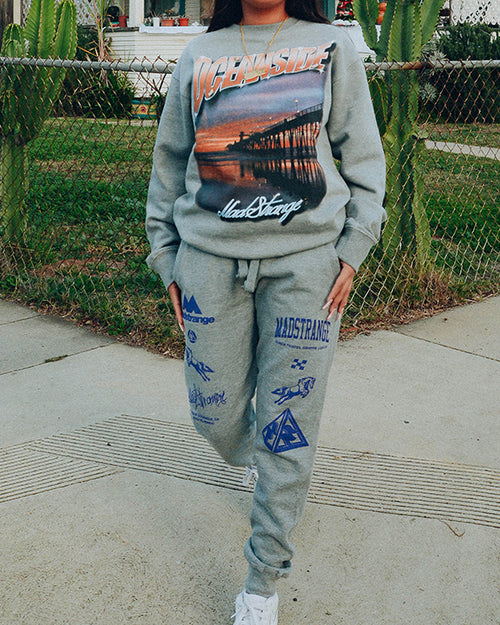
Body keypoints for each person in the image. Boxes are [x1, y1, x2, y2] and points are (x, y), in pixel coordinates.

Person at [146, 1, 386, 623]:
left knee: (290, 425)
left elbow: (362, 155)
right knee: (214, 416)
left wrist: (353, 248)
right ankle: (260, 460)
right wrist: (165, 255)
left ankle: (262, 583)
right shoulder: (200, 53)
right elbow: (169, 162)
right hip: (209, 263)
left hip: (306, 270)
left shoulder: (331, 45)